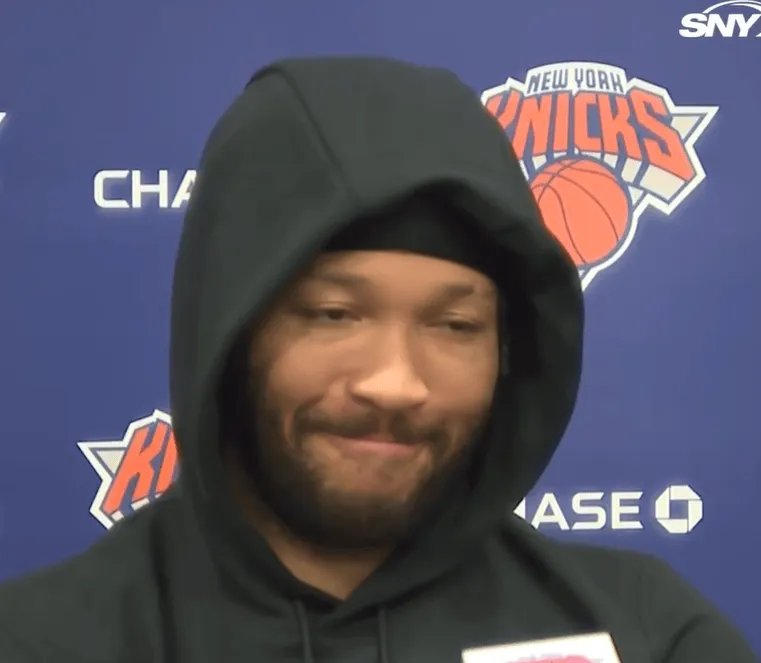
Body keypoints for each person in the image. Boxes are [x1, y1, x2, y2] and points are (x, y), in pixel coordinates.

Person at [0, 56, 755, 663]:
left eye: (454, 325)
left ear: (507, 352)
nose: (395, 383)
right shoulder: (44, 641)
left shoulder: (649, 633)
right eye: (334, 314)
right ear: (230, 330)